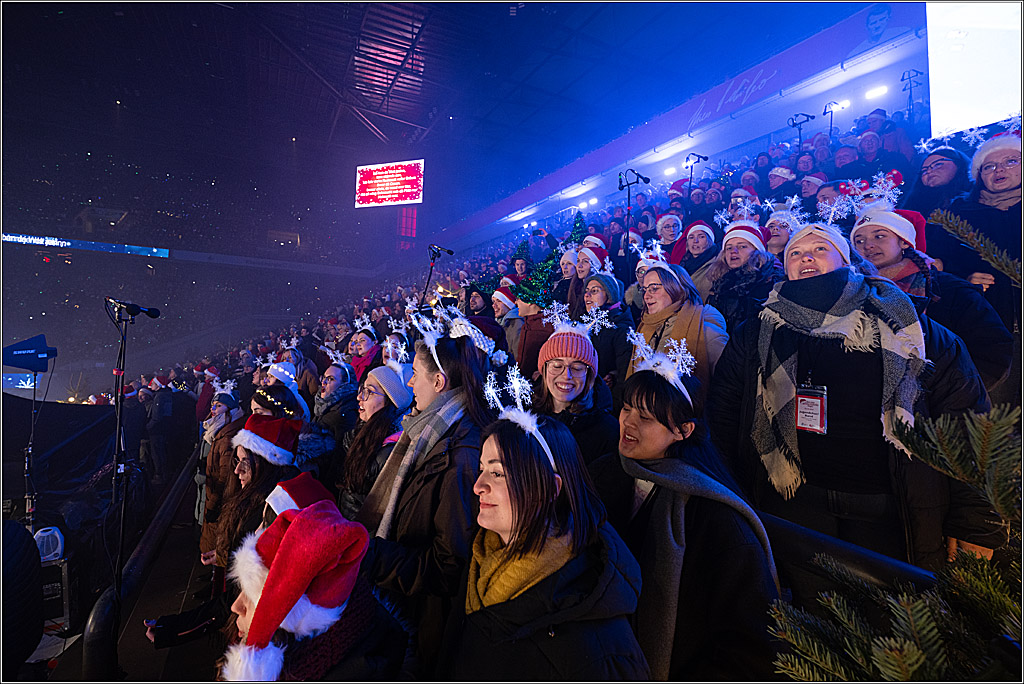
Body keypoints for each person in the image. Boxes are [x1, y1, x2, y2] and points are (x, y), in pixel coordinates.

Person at [710, 221, 1006, 574]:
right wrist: (728, 494)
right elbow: (725, 413)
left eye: (820, 249)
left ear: (846, 259)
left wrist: (975, 523)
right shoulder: (758, 328)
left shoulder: (909, 325)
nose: (807, 257)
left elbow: (966, 424)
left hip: (891, 513)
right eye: (796, 253)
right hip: (795, 507)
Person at [588, 355, 780, 680]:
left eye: (646, 417)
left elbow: (749, 641)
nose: (628, 423)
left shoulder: (716, 518)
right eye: (626, 408)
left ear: (683, 430)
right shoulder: (605, 473)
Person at [438, 414, 650, 680]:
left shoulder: (597, 654)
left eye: (497, 473)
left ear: (550, 488)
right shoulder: (484, 557)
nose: (478, 486)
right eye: (481, 469)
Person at [355, 329, 492, 676]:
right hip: (408, 605)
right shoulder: (430, 432)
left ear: (439, 381)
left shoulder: (462, 454)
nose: (411, 382)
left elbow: (448, 565)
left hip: (425, 621)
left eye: (415, 375)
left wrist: (374, 556)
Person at [220, 499, 408, 681]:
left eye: (255, 599)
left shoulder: (338, 670)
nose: (235, 607)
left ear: (297, 621)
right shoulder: (326, 654)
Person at [851, 208, 1013, 392]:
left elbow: (992, 353)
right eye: (859, 240)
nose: (868, 245)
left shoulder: (949, 290)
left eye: (879, 236)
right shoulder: (852, 294)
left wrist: (950, 396)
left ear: (904, 242)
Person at [945, 132, 1021, 339]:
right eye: (989, 166)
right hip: (986, 327)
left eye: (1011, 161)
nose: (999, 169)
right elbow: (940, 264)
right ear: (980, 176)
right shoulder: (958, 215)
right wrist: (964, 280)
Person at [627, 263, 728, 406]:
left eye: (654, 289)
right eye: (644, 290)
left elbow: (726, 390)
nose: (646, 296)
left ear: (676, 289)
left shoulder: (706, 332)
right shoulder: (646, 328)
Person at [534, 309, 621, 465]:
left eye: (577, 367)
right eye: (557, 365)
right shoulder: (526, 415)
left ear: (589, 375)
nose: (566, 375)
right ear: (544, 369)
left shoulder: (606, 430)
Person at [334, 362, 413, 520]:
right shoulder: (363, 433)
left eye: (368, 392)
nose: (359, 397)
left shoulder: (390, 452)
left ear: (390, 402)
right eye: (361, 390)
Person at [198, 384, 248, 597]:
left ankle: (217, 585)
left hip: (219, 499)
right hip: (214, 497)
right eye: (213, 405)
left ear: (230, 410)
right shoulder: (218, 430)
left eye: (218, 406)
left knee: (220, 539)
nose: (213, 410)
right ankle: (213, 577)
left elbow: (225, 476)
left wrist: (213, 503)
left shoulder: (226, 436)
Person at [706, 221, 785, 334]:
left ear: (757, 251)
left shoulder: (770, 282)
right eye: (729, 248)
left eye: (742, 246)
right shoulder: (719, 282)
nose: (734, 251)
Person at [584, 272, 634, 411]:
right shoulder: (587, 323)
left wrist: (615, 409)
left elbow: (625, 372)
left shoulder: (621, 328)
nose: (587, 295)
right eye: (586, 291)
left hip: (606, 403)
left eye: (594, 291)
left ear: (609, 295)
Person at [900, 147, 973, 219]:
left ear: (959, 164)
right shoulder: (912, 211)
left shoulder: (976, 202)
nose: (928, 171)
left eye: (938, 164)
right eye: (924, 170)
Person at [679, 221, 719, 301]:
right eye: (691, 237)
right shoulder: (683, 264)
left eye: (701, 237)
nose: (695, 241)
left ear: (709, 241)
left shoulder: (717, 265)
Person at [491, 286, 524, 356]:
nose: (494, 305)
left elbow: (517, 354)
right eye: (493, 301)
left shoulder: (516, 323)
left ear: (509, 304)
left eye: (499, 301)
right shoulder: (500, 321)